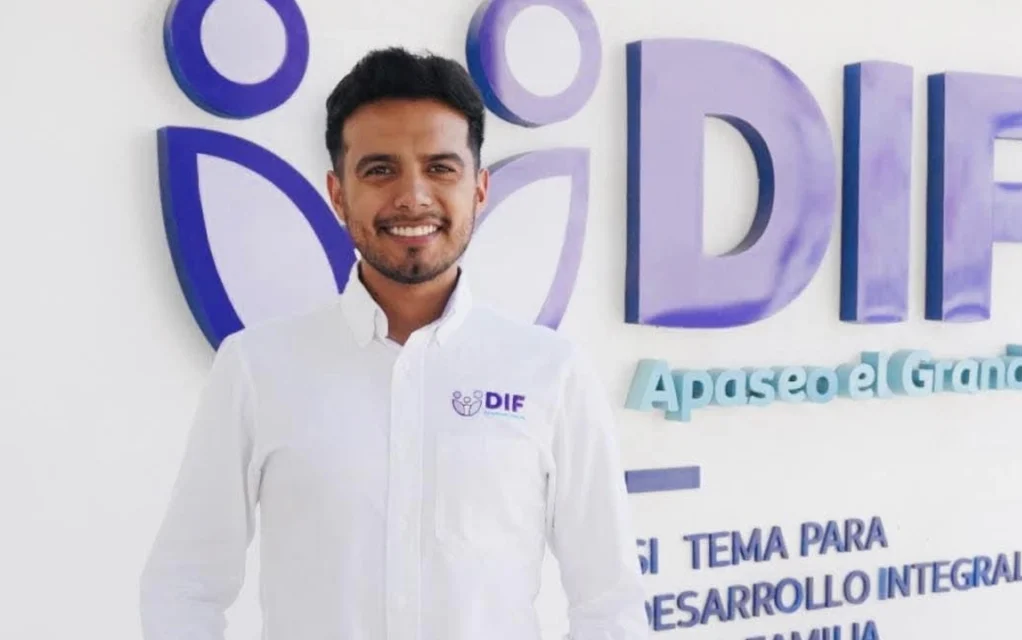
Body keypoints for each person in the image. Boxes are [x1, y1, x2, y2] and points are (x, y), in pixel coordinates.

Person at [139, 47, 648, 639]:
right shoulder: (257, 367)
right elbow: (185, 585)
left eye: (441, 168)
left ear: (480, 189)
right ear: (338, 193)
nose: (413, 196)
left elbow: (610, 600)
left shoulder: (550, 372)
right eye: (380, 170)